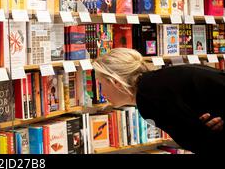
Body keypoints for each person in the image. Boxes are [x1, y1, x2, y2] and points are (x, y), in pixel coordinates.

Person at [92, 48, 225, 154]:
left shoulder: (148, 98)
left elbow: (199, 141)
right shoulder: (154, 84)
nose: (101, 92)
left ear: (116, 82)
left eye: (101, 84)